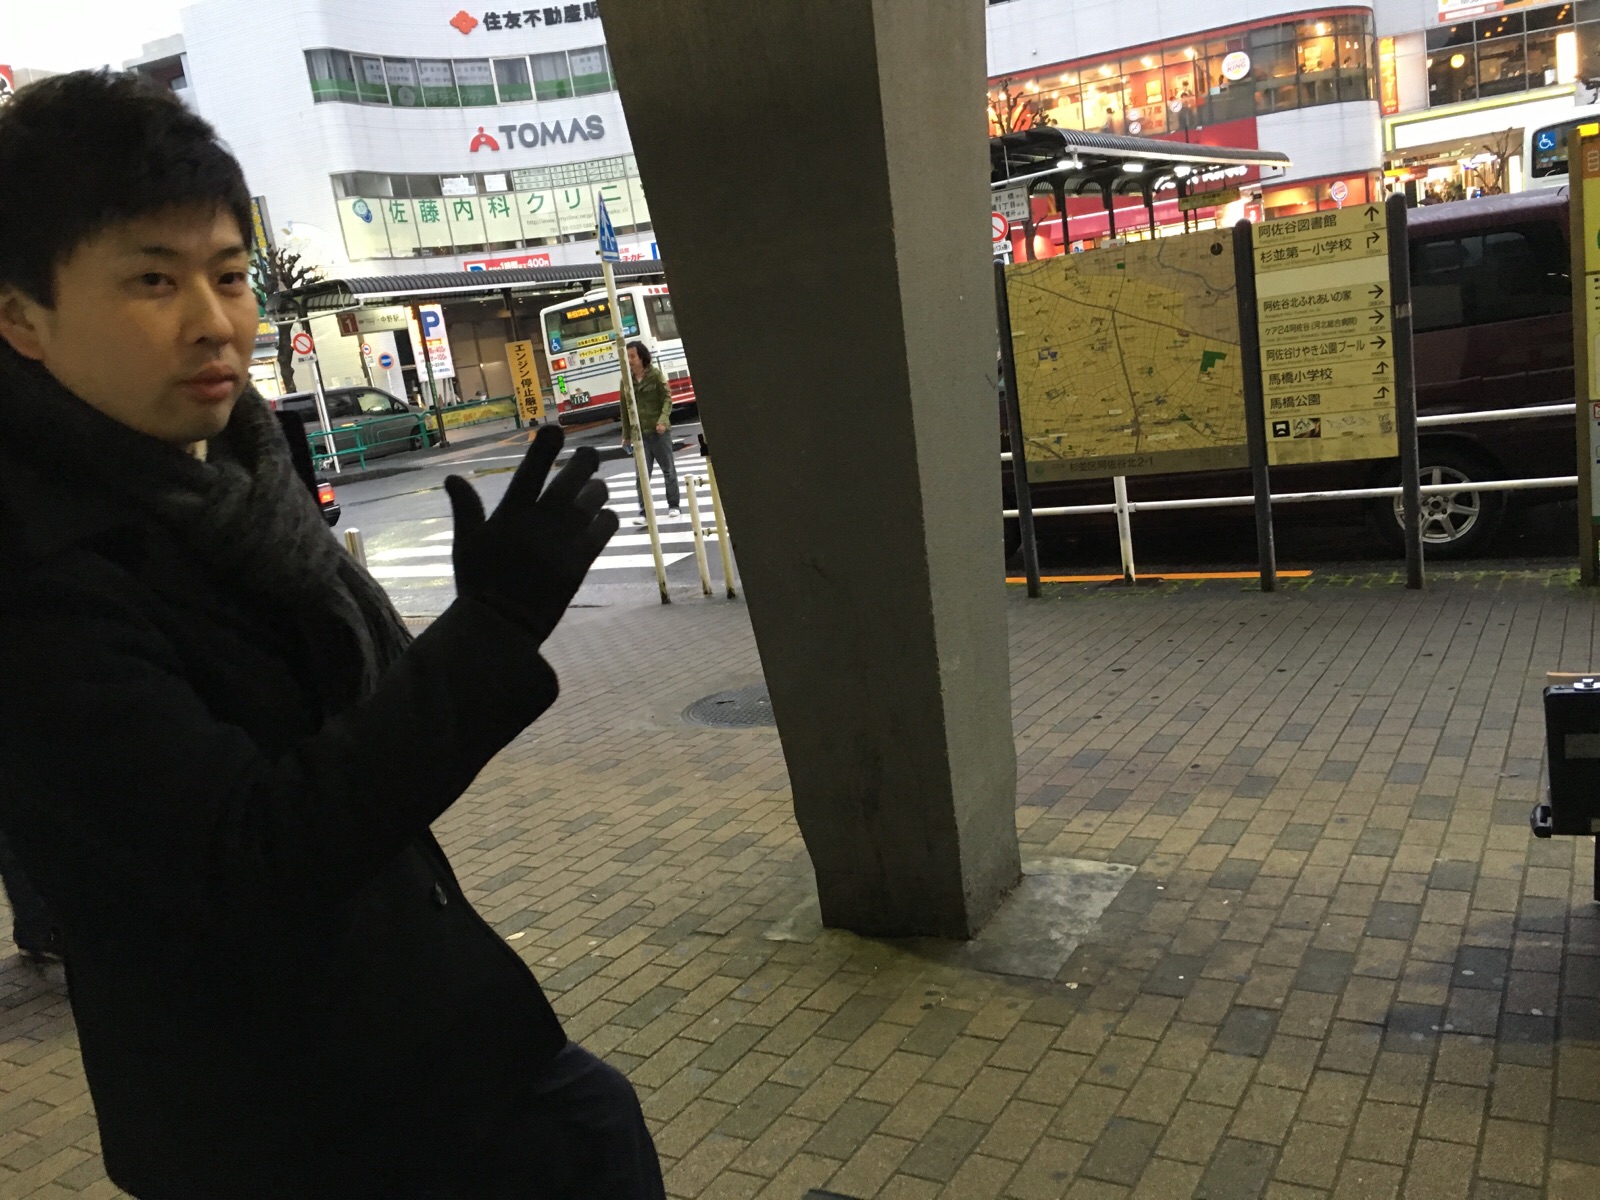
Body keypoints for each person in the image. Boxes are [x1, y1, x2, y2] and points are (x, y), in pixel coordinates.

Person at [0, 70, 662, 1199]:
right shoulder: (38, 574)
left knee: (593, 1124)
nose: (213, 321)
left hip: (417, 1041)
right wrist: (491, 633)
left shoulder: (232, 475)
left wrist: (465, 632)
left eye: (227, 275)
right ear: (21, 316)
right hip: (290, 1119)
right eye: (152, 280)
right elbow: (252, 857)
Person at [620, 340, 680, 525]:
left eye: (633, 356)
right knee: (641, 476)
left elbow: (667, 399)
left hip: (659, 432)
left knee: (668, 470)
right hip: (640, 436)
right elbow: (624, 409)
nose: (630, 360)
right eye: (628, 357)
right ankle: (644, 513)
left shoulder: (655, 375)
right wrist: (626, 435)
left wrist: (663, 420)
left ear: (641, 357)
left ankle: (674, 505)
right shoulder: (626, 381)